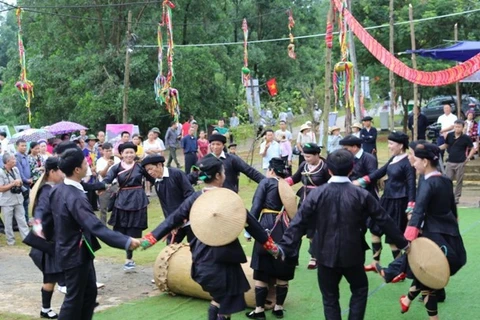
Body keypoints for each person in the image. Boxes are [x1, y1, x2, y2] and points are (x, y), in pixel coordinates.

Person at [139, 155, 280, 320]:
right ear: (219, 176)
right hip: (224, 260)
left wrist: (150, 239)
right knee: (224, 299)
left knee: (221, 300)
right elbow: (254, 226)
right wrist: (272, 248)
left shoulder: (194, 198)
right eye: (224, 173)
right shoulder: (229, 199)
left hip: (201, 260)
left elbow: (172, 220)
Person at [278, 149, 409, 320]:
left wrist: (283, 247)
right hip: (353, 252)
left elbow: (298, 222)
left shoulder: (317, 193)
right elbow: (384, 220)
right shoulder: (362, 194)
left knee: (330, 297)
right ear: (352, 168)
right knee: (360, 290)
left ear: (329, 170)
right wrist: (404, 244)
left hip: (324, 254)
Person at [50, 148, 140, 320]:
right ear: (77, 170)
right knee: (74, 299)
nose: (88, 165)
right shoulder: (74, 196)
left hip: (80, 251)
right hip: (73, 253)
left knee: (89, 294)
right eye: (85, 163)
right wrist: (126, 241)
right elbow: (96, 227)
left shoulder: (60, 188)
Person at [400, 143, 466, 319]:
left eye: (416, 160)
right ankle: (408, 300)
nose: (414, 164)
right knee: (429, 274)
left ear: (426, 161)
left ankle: (411, 301)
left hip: (432, 234)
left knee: (429, 275)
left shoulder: (427, 183)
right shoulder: (445, 180)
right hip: (450, 232)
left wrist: (407, 239)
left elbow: (419, 211)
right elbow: (453, 208)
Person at [354, 132, 415, 271]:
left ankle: (399, 269)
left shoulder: (407, 163)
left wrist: (411, 206)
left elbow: (411, 185)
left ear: (400, 145)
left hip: (400, 202)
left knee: (393, 236)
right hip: (386, 199)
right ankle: (375, 262)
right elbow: (379, 172)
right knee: (375, 229)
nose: (388, 146)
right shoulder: (394, 158)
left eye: (391, 144)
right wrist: (360, 182)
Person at [246, 158, 296, 319]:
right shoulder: (287, 186)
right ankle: (278, 307)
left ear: (272, 170)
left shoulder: (266, 183)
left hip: (267, 226)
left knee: (262, 269)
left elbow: (256, 206)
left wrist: (249, 230)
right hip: (286, 227)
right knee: (283, 269)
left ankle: (259, 310)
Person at [102, 142, 152, 271]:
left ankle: (129, 258)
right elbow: (107, 180)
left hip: (138, 200)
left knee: (134, 229)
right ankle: (127, 253)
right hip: (122, 200)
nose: (129, 155)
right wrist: (100, 187)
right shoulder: (116, 168)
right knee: (122, 228)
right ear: (121, 154)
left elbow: (152, 178)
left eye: (131, 152)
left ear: (135, 153)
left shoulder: (140, 167)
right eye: (126, 152)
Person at [28, 157, 65, 319]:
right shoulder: (46, 191)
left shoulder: (55, 188)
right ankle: (47, 309)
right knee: (54, 276)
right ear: (52, 172)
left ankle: (46, 309)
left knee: (52, 277)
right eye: (61, 170)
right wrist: (38, 226)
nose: (63, 174)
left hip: (52, 241)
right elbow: (41, 211)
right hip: (47, 243)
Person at [285, 143, 329, 269]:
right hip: (304, 200)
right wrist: (282, 183)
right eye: (305, 156)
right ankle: (292, 258)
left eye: (309, 156)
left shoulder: (325, 167)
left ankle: (314, 257)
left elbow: (331, 184)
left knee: (313, 231)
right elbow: (295, 178)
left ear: (317, 155)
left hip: (319, 202)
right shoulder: (304, 165)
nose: (306, 159)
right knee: (296, 227)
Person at [141, 155, 195, 243]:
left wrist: (184, 215)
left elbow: (190, 195)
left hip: (189, 220)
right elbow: (165, 206)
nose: (149, 172)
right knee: (169, 251)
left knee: (196, 250)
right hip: (174, 223)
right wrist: (171, 224)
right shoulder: (157, 183)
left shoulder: (177, 174)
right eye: (147, 171)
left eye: (151, 169)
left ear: (159, 165)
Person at [440, 120, 475, 204]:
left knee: (459, 181)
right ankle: (448, 196)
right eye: (455, 127)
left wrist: (468, 158)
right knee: (447, 180)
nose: (457, 128)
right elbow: (446, 145)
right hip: (450, 161)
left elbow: (473, 148)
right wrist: (437, 148)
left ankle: (456, 197)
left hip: (460, 162)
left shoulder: (466, 138)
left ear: (462, 128)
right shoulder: (450, 135)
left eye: (459, 127)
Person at [0, 152, 30, 245]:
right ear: (8, 161)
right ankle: (10, 241)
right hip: (7, 201)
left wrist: (19, 183)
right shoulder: (1, 172)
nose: (15, 161)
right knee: (8, 223)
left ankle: (27, 239)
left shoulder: (16, 169)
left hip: (18, 199)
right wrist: (13, 184)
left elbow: (20, 181)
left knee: (22, 220)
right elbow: (1, 188)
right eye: (13, 159)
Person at [95, 143, 120, 224]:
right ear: (103, 151)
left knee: (118, 205)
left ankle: (117, 222)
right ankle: (103, 226)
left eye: (110, 150)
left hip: (116, 184)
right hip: (104, 185)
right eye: (107, 151)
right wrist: (108, 166)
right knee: (103, 208)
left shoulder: (117, 159)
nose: (109, 152)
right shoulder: (99, 161)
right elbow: (102, 174)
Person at [15, 139, 32, 223]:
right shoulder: (17, 157)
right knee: (23, 203)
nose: (24, 147)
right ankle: (25, 221)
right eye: (22, 146)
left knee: (26, 202)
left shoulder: (25, 155)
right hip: (23, 183)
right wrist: (26, 180)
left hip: (28, 182)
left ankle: (26, 220)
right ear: (17, 146)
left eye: (25, 145)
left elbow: (28, 169)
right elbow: (19, 172)